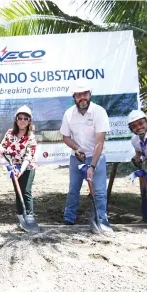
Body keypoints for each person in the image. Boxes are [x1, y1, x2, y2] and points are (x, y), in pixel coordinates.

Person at [60, 79, 112, 231]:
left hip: (97, 156)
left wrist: (93, 166)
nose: (82, 98)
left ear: (90, 95)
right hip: (77, 158)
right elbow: (66, 137)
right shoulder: (69, 114)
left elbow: (99, 143)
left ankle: (101, 220)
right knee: (73, 190)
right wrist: (77, 148)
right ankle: (69, 219)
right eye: (78, 95)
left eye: (85, 94)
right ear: (74, 97)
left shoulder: (99, 112)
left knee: (100, 191)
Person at [0, 105, 37, 221]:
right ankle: (21, 217)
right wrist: (1, 148)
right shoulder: (10, 133)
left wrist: (21, 171)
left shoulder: (31, 137)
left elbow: (28, 156)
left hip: (28, 167)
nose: (23, 121)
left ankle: (29, 217)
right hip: (13, 167)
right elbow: (2, 146)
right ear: (16, 119)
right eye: (20, 118)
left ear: (29, 121)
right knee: (18, 192)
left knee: (26, 191)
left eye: (26, 118)